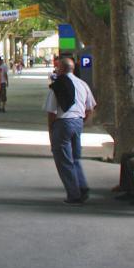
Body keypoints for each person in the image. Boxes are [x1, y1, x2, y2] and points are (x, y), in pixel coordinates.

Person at [44, 57, 96, 205]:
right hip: (78, 122)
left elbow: (52, 112)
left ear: (60, 68)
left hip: (62, 123)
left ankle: (74, 194)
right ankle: (82, 185)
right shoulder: (82, 84)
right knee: (75, 158)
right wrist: (81, 122)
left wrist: (51, 131)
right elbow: (91, 107)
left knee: (64, 160)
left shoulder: (57, 86)